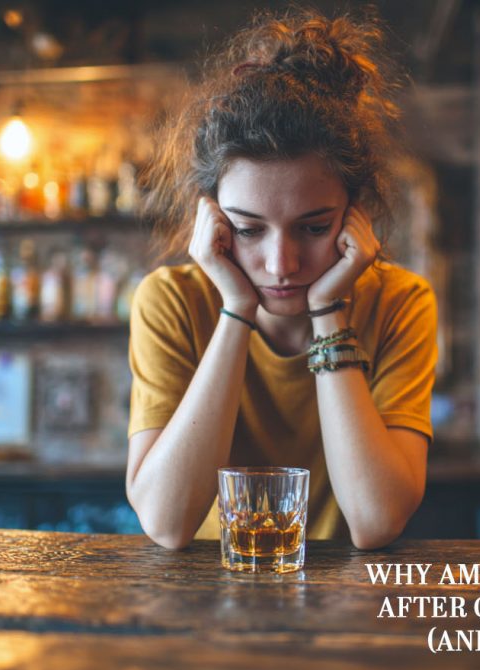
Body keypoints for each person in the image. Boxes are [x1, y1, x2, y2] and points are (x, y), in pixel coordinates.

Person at [125, 9, 437, 550]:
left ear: (354, 214)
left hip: (347, 610)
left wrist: (328, 311)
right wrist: (235, 310)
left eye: (313, 227)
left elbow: (375, 520)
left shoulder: (401, 302)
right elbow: (167, 523)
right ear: (212, 220)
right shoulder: (169, 301)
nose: (281, 263)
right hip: (203, 600)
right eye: (248, 229)